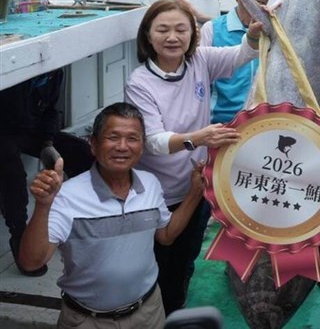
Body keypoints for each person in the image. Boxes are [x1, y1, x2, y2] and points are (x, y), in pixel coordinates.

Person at [125, 0, 263, 314]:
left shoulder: (199, 60)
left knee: (186, 257)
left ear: (192, 34)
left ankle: (176, 308)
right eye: (162, 30)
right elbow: (153, 142)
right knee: (156, 260)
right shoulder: (140, 82)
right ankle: (152, 313)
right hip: (156, 191)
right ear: (148, 36)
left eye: (180, 29)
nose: (172, 37)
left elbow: (242, 54)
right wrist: (199, 138)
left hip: (195, 186)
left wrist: (254, 35)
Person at [18, 102, 205, 328]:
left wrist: (195, 192)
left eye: (132, 138)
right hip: (87, 320)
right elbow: (31, 262)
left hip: (149, 314)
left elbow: (165, 235)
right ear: (93, 144)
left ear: (142, 146)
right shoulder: (67, 196)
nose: (122, 146)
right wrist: (43, 206)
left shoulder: (151, 184)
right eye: (113, 137)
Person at [0, 68, 94, 277]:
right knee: (10, 169)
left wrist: (47, 143)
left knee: (80, 151)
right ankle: (19, 233)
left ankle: (83, 211)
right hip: (4, 130)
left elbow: (51, 110)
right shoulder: (14, 71)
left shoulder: (54, 72)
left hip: (30, 130)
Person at [200, 0, 271, 123]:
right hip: (223, 125)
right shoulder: (212, 29)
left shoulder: (275, 30)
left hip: (263, 126)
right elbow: (202, 79)